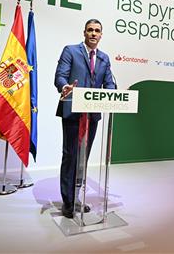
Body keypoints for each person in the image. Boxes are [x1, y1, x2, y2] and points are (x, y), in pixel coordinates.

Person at [54, 18, 116, 219]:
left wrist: (113, 93)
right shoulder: (70, 51)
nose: (93, 34)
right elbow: (60, 76)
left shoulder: (104, 58)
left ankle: (78, 197)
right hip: (73, 111)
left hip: (93, 114)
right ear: (84, 32)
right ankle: (68, 202)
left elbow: (109, 83)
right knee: (71, 155)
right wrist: (65, 87)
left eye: (97, 31)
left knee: (83, 158)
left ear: (101, 34)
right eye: (90, 30)